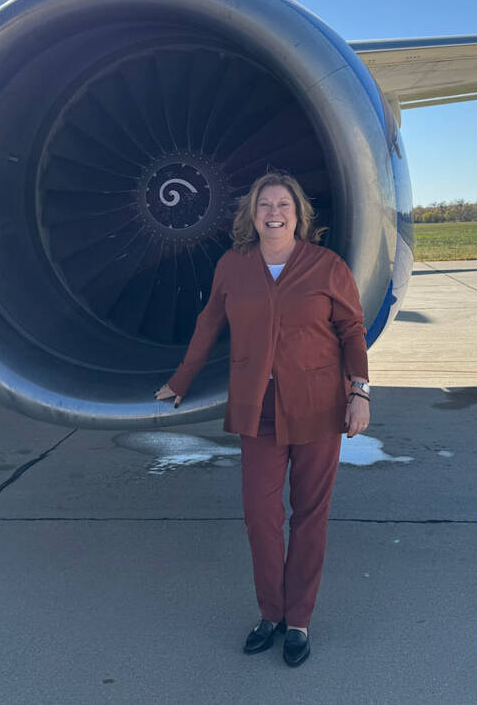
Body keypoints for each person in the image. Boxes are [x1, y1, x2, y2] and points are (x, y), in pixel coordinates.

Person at [155, 170, 370, 667]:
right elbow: (209, 322)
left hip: (319, 407)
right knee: (260, 516)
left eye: (283, 205)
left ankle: (298, 622)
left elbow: (352, 330)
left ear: (299, 214)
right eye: (265, 205)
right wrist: (182, 380)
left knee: (310, 517)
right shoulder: (234, 266)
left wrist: (359, 391)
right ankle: (269, 614)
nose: (274, 212)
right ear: (252, 215)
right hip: (259, 410)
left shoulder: (325, 265)